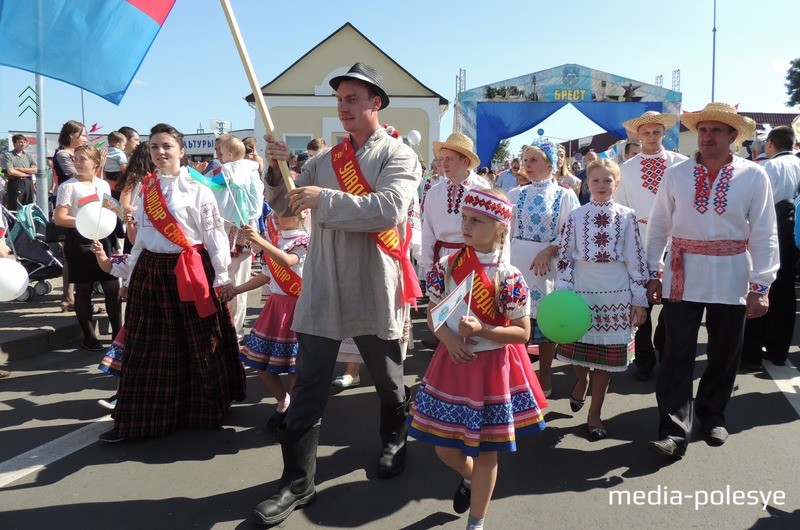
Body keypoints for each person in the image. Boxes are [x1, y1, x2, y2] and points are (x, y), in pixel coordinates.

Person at [254, 62, 421, 526]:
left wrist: (322, 199)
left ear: (375, 104)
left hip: (372, 279)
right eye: (340, 99)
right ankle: (298, 482)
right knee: (308, 383)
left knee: (387, 378)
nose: (343, 107)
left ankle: (394, 437)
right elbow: (285, 203)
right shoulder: (323, 161)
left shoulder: (400, 155)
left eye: (352, 99)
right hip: (324, 281)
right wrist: (275, 168)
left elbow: (389, 211)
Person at [409, 187, 547, 530]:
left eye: (477, 220)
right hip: (453, 362)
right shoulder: (446, 266)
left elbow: (522, 333)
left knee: (487, 450)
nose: (466, 225)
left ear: (499, 227)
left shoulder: (509, 276)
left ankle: (477, 520)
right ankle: (469, 479)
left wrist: (484, 329)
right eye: (464, 218)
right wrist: (449, 337)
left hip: (493, 369)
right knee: (445, 447)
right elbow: (433, 314)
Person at [646, 103, 778, 458]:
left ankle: (712, 413)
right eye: (702, 130)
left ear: (733, 136)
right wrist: (652, 271)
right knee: (677, 353)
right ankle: (673, 430)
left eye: (716, 131)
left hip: (732, 272)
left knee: (724, 351)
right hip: (681, 273)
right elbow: (659, 224)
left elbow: (765, 231)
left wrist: (761, 285)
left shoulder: (753, 176)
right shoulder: (676, 175)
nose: (706, 137)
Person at [101, 123, 246, 443]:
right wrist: (131, 273)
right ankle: (136, 419)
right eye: (154, 147)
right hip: (152, 270)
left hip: (190, 268)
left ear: (182, 151)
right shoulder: (146, 187)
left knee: (199, 342)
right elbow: (141, 238)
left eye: (167, 146)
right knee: (145, 347)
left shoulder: (198, 189)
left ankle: (205, 410)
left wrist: (222, 275)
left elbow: (213, 235)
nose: (160, 152)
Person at [555, 159, 648, 440]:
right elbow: (565, 254)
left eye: (608, 180)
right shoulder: (576, 216)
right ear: (588, 184)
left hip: (616, 290)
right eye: (595, 180)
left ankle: (594, 414)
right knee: (577, 349)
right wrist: (563, 288)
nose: (601, 186)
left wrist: (639, 298)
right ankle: (581, 379)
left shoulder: (627, 215)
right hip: (582, 289)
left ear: (616, 183)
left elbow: (635, 257)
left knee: (606, 360)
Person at [616, 111, 688, 381]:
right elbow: (621, 208)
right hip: (639, 242)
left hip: (674, 241)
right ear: (638, 135)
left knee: (673, 303)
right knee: (640, 302)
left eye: (656, 131)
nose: (651, 137)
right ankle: (644, 360)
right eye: (645, 132)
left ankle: (664, 349)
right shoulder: (628, 168)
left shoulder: (680, 164)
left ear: (663, 132)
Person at [508, 139, 579, 396]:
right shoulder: (515, 194)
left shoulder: (564, 195)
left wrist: (548, 251)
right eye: (525, 159)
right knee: (517, 321)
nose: (527, 164)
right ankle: (520, 375)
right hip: (517, 264)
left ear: (550, 163)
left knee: (545, 325)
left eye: (533, 159)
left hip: (547, 267)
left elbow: (571, 234)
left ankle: (545, 375)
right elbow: (506, 232)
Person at [236, 214, 309, 430]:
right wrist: (237, 290)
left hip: (298, 309)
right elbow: (267, 275)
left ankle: (295, 415)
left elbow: (288, 261)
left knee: (296, 370)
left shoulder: (305, 240)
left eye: (283, 213)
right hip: (275, 308)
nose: (276, 217)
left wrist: (261, 242)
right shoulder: (275, 240)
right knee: (263, 366)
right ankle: (282, 401)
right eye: (275, 211)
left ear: (300, 214)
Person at [741, 125, 800, 370]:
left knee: (759, 286)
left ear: (771, 144)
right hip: (794, 234)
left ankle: (751, 353)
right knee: (785, 291)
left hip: (769, 232)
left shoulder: (765, 167)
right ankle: (778, 349)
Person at [53, 145, 121, 351]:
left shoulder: (103, 185)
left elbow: (111, 211)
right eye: (76, 159)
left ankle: (118, 335)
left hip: (103, 238)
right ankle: (89, 336)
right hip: (79, 240)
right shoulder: (68, 187)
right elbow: (59, 218)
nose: (78, 163)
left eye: (83, 159)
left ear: (96, 163)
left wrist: (123, 215)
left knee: (112, 287)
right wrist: (85, 222)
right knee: (84, 288)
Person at [213, 136, 264, 342]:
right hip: (229, 232)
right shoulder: (249, 172)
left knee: (238, 285)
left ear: (231, 154)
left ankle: (236, 330)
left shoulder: (235, 172)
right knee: (223, 280)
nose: (219, 155)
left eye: (221, 152)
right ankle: (226, 326)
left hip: (239, 232)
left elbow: (253, 201)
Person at [52, 120, 88, 313]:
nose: (85, 139)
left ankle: (72, 296)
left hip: (79, 205)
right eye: (83, 135)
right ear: (72, 135)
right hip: (68, 207)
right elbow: (80, 176)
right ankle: (69, 296)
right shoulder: (63, 155)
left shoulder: (72, 154)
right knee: (72, 253)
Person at [91, 240, 131, 410]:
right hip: (140, 316)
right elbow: (110, 266)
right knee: (130, 357)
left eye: (135, 223)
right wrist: (100, 254)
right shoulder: (138, 255)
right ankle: (121, 396)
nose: (132, 225)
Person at [3, 134, 37, 209]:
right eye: (20, 142)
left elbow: (35, 169)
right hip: (15, 183)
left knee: (29, 208)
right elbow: (11, 171)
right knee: (15, 207)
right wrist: (27, 174)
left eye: (24, 142)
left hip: (28, 183)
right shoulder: (8, 155)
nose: (23, 144)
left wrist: (19, 169)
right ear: (14, 143)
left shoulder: (29, 156)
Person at [103, 131, 128, 199]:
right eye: (124, 145)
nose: (124, 147)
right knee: (118, 191)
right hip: (117, 174)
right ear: (117, 144)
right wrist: (127, 175)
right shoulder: (120, 153)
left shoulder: (105, 151)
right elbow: (123, 167)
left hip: (107, 174)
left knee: (110, 191)